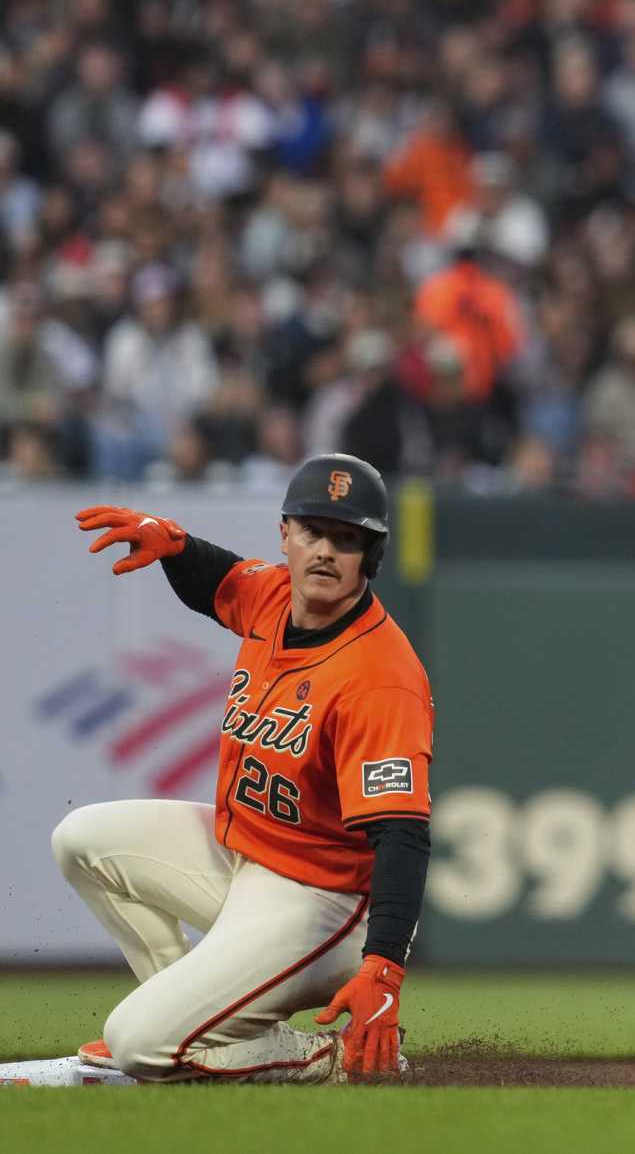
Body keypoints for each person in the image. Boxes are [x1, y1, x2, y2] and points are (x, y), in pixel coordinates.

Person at [54, 455, 431, 1083]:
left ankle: (317, 1058)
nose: (325, 551)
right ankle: (197, 1030)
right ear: (285, 533)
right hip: (244, 859)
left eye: (347, 539)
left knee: (135, 1045)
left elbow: (403, 834)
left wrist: (383, 967)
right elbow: (219, 578)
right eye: (312, 530)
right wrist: (172, 542)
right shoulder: (275, 595)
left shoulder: (380, 678)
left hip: (323, 903)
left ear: (372, 557)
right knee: (81, 840)